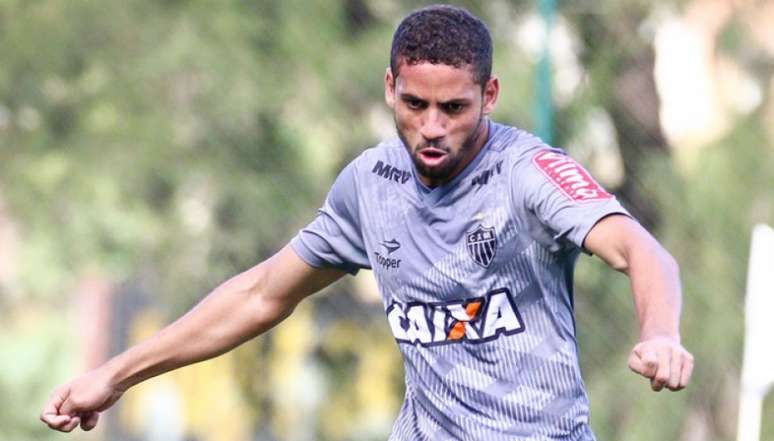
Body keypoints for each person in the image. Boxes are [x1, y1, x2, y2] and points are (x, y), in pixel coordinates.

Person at [40, 5, 693, 440]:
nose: (432, 127)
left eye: (453, 107)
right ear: (389, 88)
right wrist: (115, 374)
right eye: (414, 104)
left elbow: (639, 248)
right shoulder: (369, 185)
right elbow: (262, 293)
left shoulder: (528, 174)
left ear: (489, 96)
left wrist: (660, 332)